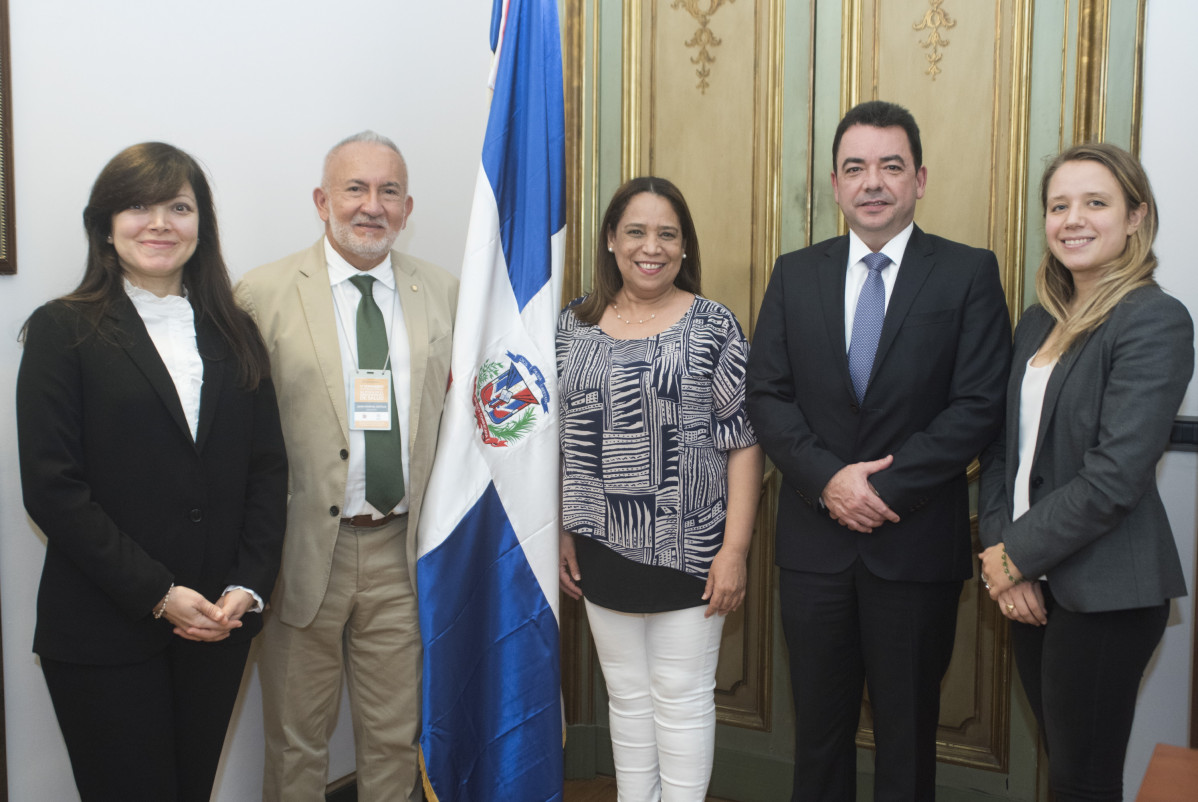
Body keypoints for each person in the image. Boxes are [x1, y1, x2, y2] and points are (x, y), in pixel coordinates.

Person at [745, 100, 1012, 800]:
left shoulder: (967, 273)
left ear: (919, 179)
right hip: (814, 548)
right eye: (855, 167)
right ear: (834, 184)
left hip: (915, 547)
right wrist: (829, 479)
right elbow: (767, 395)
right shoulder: (795, 273)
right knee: (819, 735)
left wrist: (881, 492)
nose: (873, 182)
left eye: (890, 166)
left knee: (907, 736)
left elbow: (979, 405)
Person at [15, 142, 287, 801]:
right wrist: (160, 594)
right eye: (137, 206)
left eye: (179, 206)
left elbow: (268, 471)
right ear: (105, 225)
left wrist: (246, 588)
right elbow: (54, 490)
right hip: (104, 628)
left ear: (202, 225)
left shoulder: (235, 332)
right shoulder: (62, 330)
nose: (159, 222)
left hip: (216, 626)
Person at [235, 131, 458, 802]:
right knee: (297, 739)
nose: (371, 206)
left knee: (394, 738)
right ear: (321, 200)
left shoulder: (442, 293)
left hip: (401, 548)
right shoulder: (261, 294)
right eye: (354, 188)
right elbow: (239, 440)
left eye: (388, 190)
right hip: (303, 553)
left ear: (408, 206)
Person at [978, 142, 1192, 801]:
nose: (1073, 218)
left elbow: (1115, 476)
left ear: (1136, 217)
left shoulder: (1154, 320)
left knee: (1083, 780)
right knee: (1066, 770)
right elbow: (1002, 454)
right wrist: (998, 551)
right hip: (1032, 581)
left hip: (1107, 593)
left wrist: (1014, 554)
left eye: (1095, 203)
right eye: (1058, 205)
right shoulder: (1040, 319)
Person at [557, 176, 764, 801]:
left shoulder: (713, 326)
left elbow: (745, 443)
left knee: (681, 699)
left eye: (667, 234)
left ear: (684, 245)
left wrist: (734, 551)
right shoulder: (573, 325)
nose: (652, 247)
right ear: (612, 242)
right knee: (626, 696)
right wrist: (564, 528)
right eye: (637, 232)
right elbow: (558, 438)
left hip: (692, 548)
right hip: (598, 542)